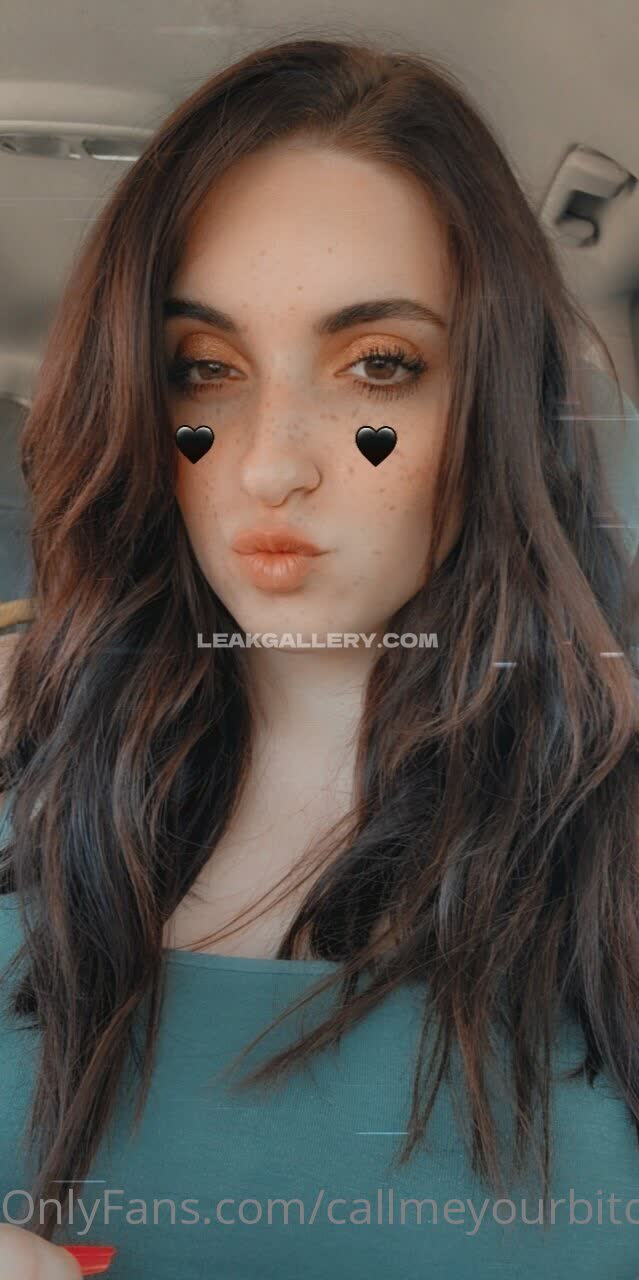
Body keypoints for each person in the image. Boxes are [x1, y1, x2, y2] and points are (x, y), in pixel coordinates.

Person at [0, 33, 638, 1280]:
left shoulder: (610, 849)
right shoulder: (26, 778)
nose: (271, 462)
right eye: (207, 369)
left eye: (378, 367)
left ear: (496, 402)